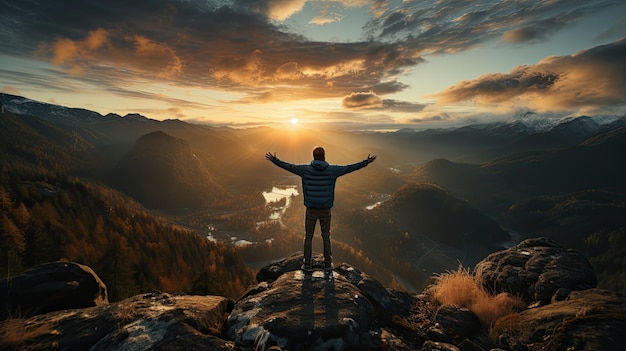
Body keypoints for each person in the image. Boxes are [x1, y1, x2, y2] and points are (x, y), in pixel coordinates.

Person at [265, 146, 376, 272]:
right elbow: (349, 168)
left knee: (308, 236)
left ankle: (307, 265)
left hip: (311, 210)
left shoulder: (305, 170)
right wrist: (365, 162)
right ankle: (328, 264)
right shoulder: (332, 170)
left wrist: (275, 160)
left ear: (313, 156)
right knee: (326, 236)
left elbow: (289, 166)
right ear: (324, 156)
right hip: (325, 210)